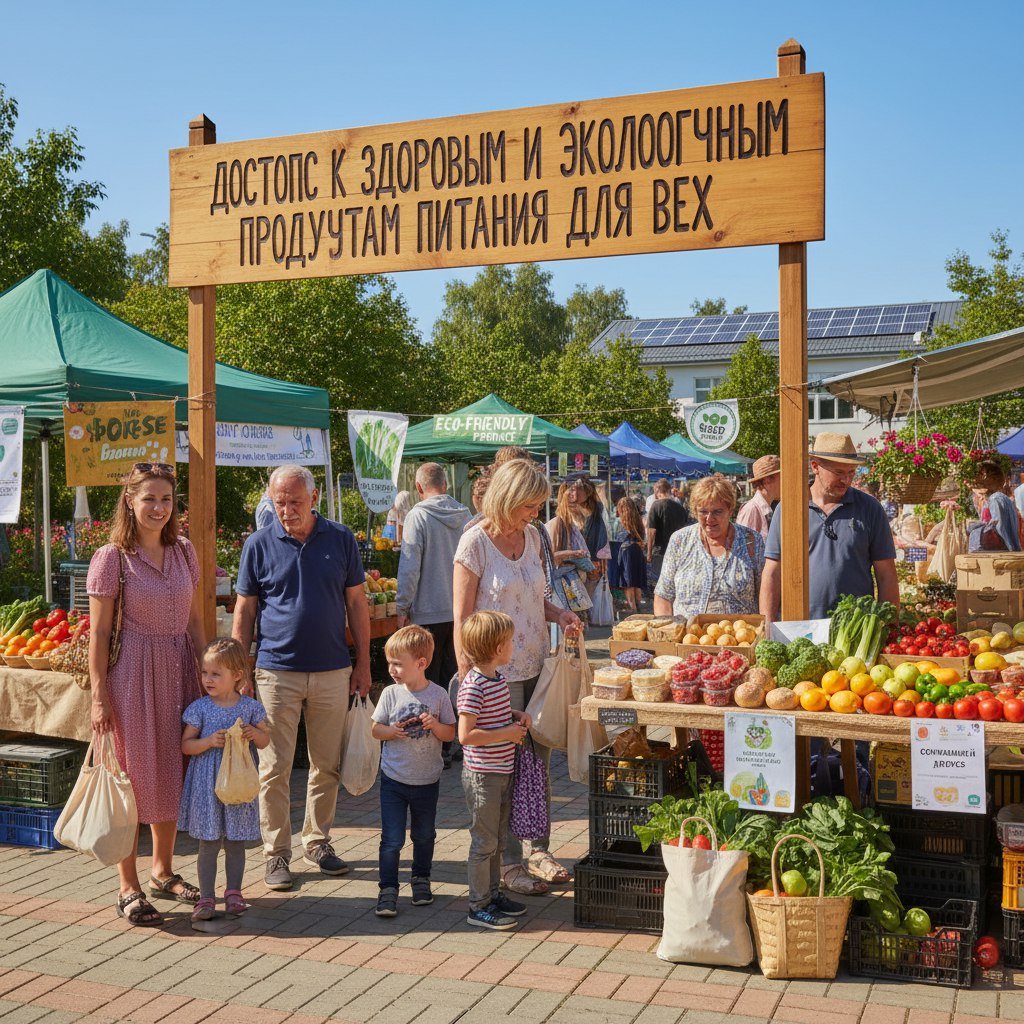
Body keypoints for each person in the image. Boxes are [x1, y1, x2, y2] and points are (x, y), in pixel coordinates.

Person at [232, 464, 371, 892]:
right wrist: (242, 669)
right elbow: (245, 611)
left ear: (314, 499)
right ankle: (275, 853)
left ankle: (318, 840)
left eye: (294, 501)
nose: (287, 510)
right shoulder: (258, 544)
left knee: (325, 764)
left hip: (332, 669)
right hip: (275, 671)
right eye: (279, 502)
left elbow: (357, 604)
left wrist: (364, 662)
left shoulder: (341, 539)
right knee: (273, 768)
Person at [453, 459, 581, 895]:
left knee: (537, 765)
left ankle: (538, 849)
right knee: (502, 769)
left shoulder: (531, 539)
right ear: (507, 498)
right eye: (530, 504)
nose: (536, 513)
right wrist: (471, 677)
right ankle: (508, 862)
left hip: (535, 666)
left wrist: (561, 614)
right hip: (495, 676)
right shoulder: (475, 544)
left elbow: (534, 597)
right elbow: (462, 618)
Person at [87, 462, 205, 925]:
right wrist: (99, 695)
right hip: (132, 675)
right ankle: (127, 884)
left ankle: (163, 870)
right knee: (134, 775)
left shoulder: (184, 553)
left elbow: (195, 621)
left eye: (166, 500)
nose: (158, 508)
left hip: (180, 670)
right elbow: (98, 635)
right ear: (130, 502)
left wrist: (213, 669)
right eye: (149, 499)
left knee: (174, 768)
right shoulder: (112, 557)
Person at [760, 432, 899, 622]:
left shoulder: (870, 508)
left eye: (851, 473)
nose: (846, 480)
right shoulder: (789, 508)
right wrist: (767, 625)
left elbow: (886, 575)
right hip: (799, 628)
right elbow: (773, 571)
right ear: (815, 466)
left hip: (854, 629)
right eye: (839, 473)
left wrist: (889, 627)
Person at [178, 638, 270, 924]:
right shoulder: (200, 708)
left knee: (235, 841)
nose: (208, 679)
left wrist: (254, 734)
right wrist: (207, 742)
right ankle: (206, 896)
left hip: (239, 783)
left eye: (216, 674)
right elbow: (186, 746)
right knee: (208, 841)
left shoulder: (251, 708)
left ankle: (233, 892)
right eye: (205, 673)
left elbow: (266, 741)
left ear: (237, 675)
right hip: (207, 786)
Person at [370, 626, 457, 919]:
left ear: (421, 663)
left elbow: (450, 735)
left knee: (423, 835)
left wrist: (435, 725)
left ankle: (421, 879)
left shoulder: (439, 695)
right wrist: (390, 731)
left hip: (427, 780)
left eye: (398, 663)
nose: (392, 669)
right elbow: (375, 729)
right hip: (393, 780)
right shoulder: (390, 694)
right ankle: (388, 889)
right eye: (390, 663)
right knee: (392, 838)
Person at [456, 610, 531, 931]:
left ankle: (493, 895)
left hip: (501, 771)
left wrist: (514, 714)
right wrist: (508, 734)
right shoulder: (473, 685)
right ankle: (478, 905)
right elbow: (465, 735)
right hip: (483, 776)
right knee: (484, 843)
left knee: (498, 840)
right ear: (498, 648)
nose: (513, 645)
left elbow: (492, 715)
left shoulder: (496, 678)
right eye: (510, 641)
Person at [396, 463, 472, 685]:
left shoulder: (417, 516)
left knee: (427, 683)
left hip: (427, 614)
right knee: (456, 679)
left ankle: (436, 721)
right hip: (461, 610)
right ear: (445, 484)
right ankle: (456, 720)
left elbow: (409, 568)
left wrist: (402, 607)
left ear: (418, 487)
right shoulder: (466, 515)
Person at [654, 474, 765, 620]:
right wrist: (667, 633)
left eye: (717, 511)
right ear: (694, 511)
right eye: (703, 512)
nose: (709, 518)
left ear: (730, 510)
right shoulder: (680, 540)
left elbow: (766, 594)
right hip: (687, 639)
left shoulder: (751, 540)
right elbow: (663, 595)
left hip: (740, 639)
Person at [544, 484, 594, 616]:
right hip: (562, 584)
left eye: (577, 503)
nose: (575, 504)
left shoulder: (571, 524)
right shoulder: (557, 523)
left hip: (571, 582)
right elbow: (551, 557)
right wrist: (574, 554)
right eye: (571, 502)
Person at [569, 476, 610, 597]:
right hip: (574, 562)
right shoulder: (568, 510)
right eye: (572, 489)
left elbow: (603, 535)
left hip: (592, 560)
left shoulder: (597, 509)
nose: (574, 493)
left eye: (579, 489)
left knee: (590, 596)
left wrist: (601, 560)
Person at [646, 477, 691, 585]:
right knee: (674, 583)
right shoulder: (680, 508)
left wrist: (649, 553)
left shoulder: (655, 506)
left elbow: (651, 532)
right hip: (678, 551)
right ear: (669, 491)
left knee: (660, 583)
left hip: (660, 551)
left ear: (657, 492)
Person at [969, 461, 1021, 551]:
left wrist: (974, 528)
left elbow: (999, 527)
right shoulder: (998, 498)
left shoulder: (995, 499)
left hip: (1000, 551)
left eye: (980, 474)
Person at [736, 455, 780, 541]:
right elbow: (743, 548)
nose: (785, 481)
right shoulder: (752, 509)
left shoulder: (764, 508)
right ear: (767, 480)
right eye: (782, 477)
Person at [615, 496, 647, 613]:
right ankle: (638, 606)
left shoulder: (621, 522)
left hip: (626, 553)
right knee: (636, 581)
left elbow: (618, 538)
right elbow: (642, 537)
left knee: (628, 582)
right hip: (637, 552)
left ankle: (632, 607)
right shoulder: (638, 519)